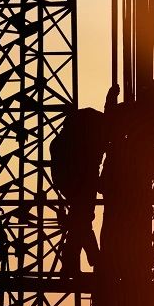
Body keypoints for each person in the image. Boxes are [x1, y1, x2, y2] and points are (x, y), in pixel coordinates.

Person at [50, 93, 111, 277]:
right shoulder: (89, 135)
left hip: (71, 181)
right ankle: (92, 260)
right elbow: (91, 166)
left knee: (80, 220)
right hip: (78, 182)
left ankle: (79, 263)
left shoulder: (72, 137)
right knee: (82, 220)